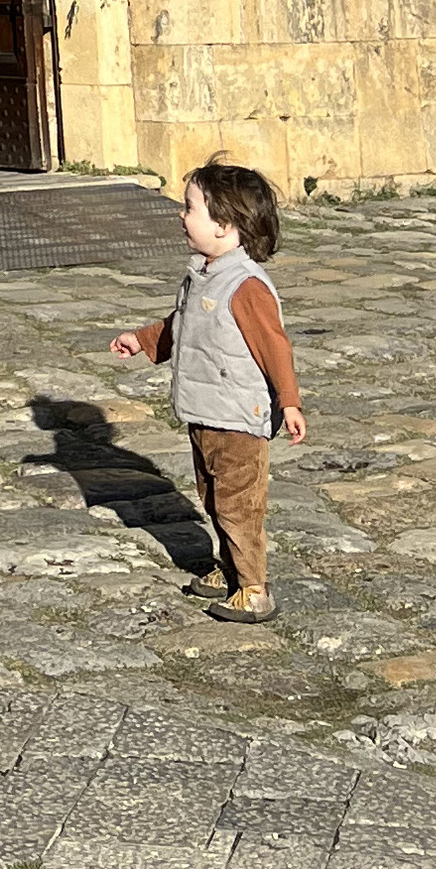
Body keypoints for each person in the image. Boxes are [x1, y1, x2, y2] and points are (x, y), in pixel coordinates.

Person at [112, 159, 305, 626]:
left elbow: (274, 345)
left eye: (190, 208)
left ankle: (254, 589)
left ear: (223, 225)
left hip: (237, 417)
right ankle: (231, 570)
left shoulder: (246, 287)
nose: (181, 216)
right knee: (213, 497)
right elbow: (182, 323)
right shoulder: (202, 274)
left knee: (239, 503)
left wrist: (289, 400)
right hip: (205, 412)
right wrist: (144, 339)